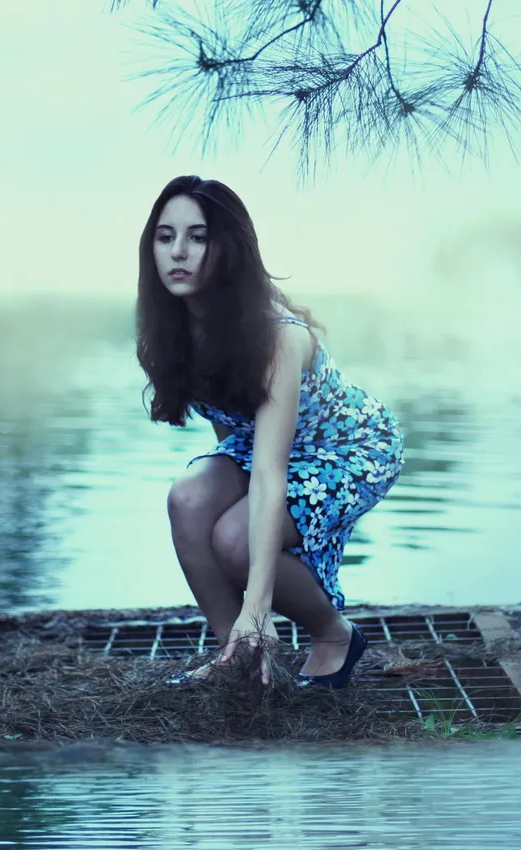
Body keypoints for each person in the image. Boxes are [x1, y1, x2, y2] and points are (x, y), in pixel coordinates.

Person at [134, 175, 405, 690]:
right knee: (189, 501)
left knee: (236, 542)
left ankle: (335, 636)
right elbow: (228, 429)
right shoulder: (176, 326)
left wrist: (258, 603)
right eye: (166, 236)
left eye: (198, 236)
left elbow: (268, 471)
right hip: (267, 446)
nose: (179, 252)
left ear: (229, 247)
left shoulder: (278, 337)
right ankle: (233, 657)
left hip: (350, 449)